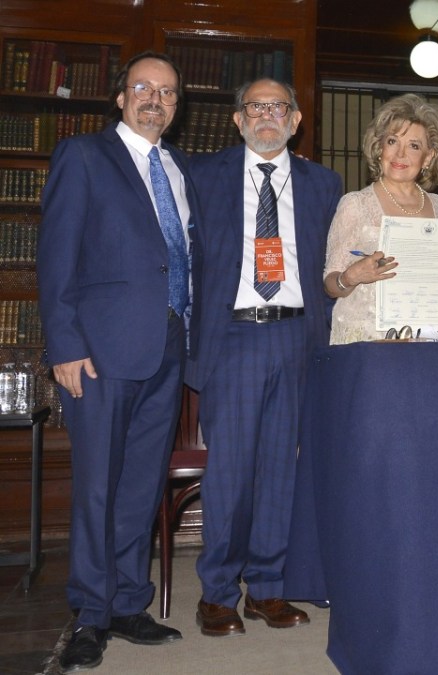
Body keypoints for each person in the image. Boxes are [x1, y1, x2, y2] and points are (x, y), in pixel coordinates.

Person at [38, 51, 193, 672]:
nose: (156, 99)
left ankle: (130, 602)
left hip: (168, 349)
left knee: (139, 487)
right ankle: (91, 612)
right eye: (143, 89)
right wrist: (66, 344)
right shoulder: (84, 157)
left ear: (177, 107)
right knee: (98, 486)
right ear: (121, 99)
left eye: (167, 92)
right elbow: (56, 255)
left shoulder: (178, 170)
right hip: (99, 353)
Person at [186, 78, 342, 637]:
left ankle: (268, 588)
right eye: (255, 106)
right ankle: (219, 594)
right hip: (233, 337)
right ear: (238, 119)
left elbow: (336, 263)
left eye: (279, 107)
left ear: (297, 120)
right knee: (230, 472)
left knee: (282, 469)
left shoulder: (326, 184)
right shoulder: (202, 178)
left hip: (297, 337)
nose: (267, 116)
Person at [323, 94, 438, 343]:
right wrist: (351, 276)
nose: (400, 154)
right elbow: (331, 285)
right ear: (380, 147)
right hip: (369, 344)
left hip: (428, 344)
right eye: (393, 141)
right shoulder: (355, 204)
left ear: (428, 158)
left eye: (414, 146)